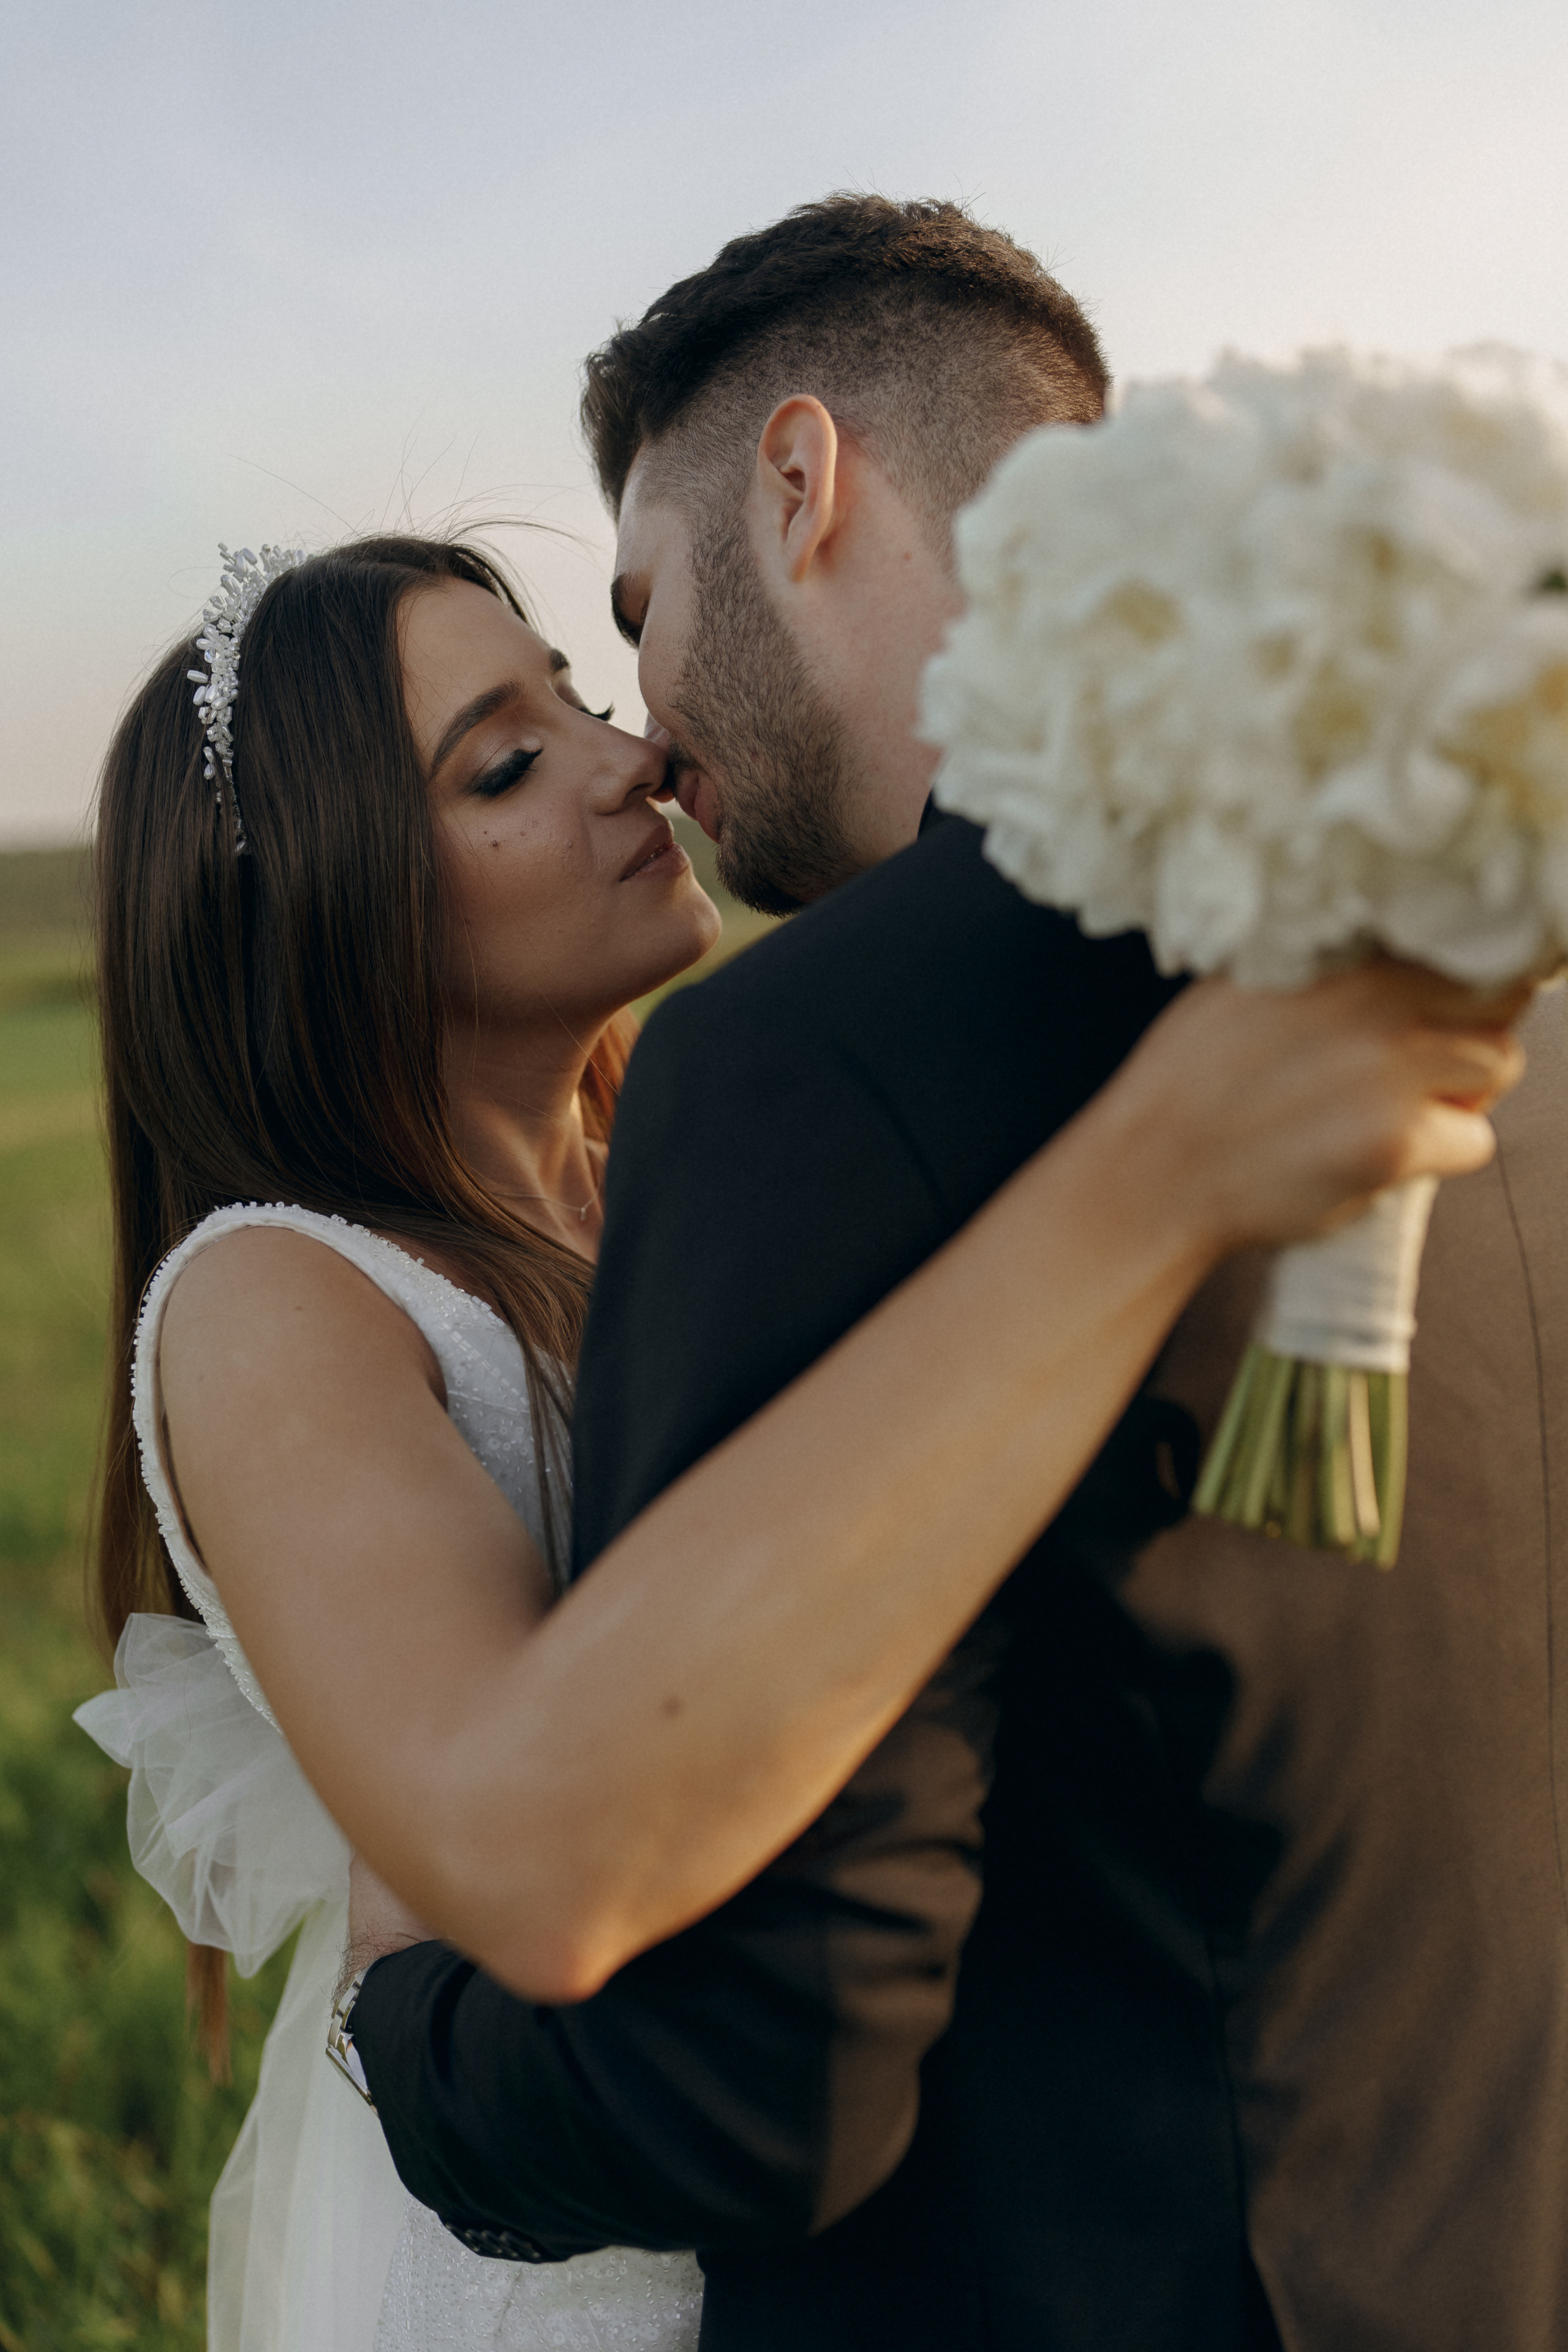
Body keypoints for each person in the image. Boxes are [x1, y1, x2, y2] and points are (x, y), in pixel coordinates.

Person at [75, 514, 1516, 2352]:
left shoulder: (665, 1182)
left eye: (585, 700)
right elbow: (509, 1843)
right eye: (512, 764)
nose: (632, 759)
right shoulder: (278, 1298)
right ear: (330, 901)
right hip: (564, 2240)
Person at [339, 202, 1561, 2349]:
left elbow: (745, 2090)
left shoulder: (813, 1058)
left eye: (637, 611)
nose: (644, 723)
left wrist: (401, 2027)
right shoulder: (1499, 965)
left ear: (799, 484)